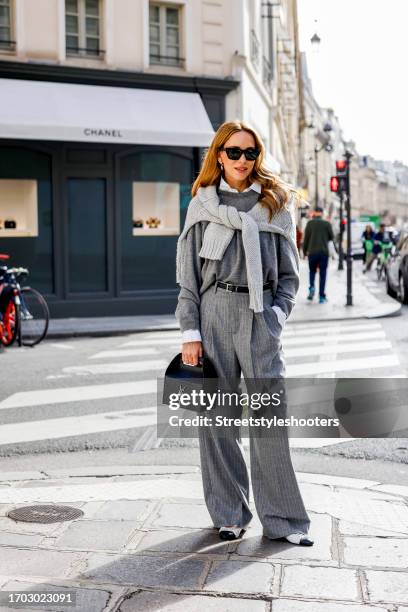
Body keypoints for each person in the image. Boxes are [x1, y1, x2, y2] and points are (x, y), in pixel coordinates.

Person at [175, 120, 313, 546]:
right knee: (217, 421)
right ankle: (229, 513)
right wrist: (190, 332)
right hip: (214, 311)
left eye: (250, 152)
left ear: (258, 157)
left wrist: (276, 314)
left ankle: (284, 520)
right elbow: (188, 278)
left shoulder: (275, 204)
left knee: (269, 417)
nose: (241, 160)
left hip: (259, 315)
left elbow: (290, 276)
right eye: (233, 151)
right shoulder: (202, 205)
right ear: (219, 155)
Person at [302, 207, 336, 303]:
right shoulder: (326, 223)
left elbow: (306, 239)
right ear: (322, 213)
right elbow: (332, 237)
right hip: (323, 252)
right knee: (323, 274)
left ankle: (312, 287)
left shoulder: (309, 223)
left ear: (314, 213)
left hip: (312, 252)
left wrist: (304, 252)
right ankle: (321, 296)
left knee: (312, 271)